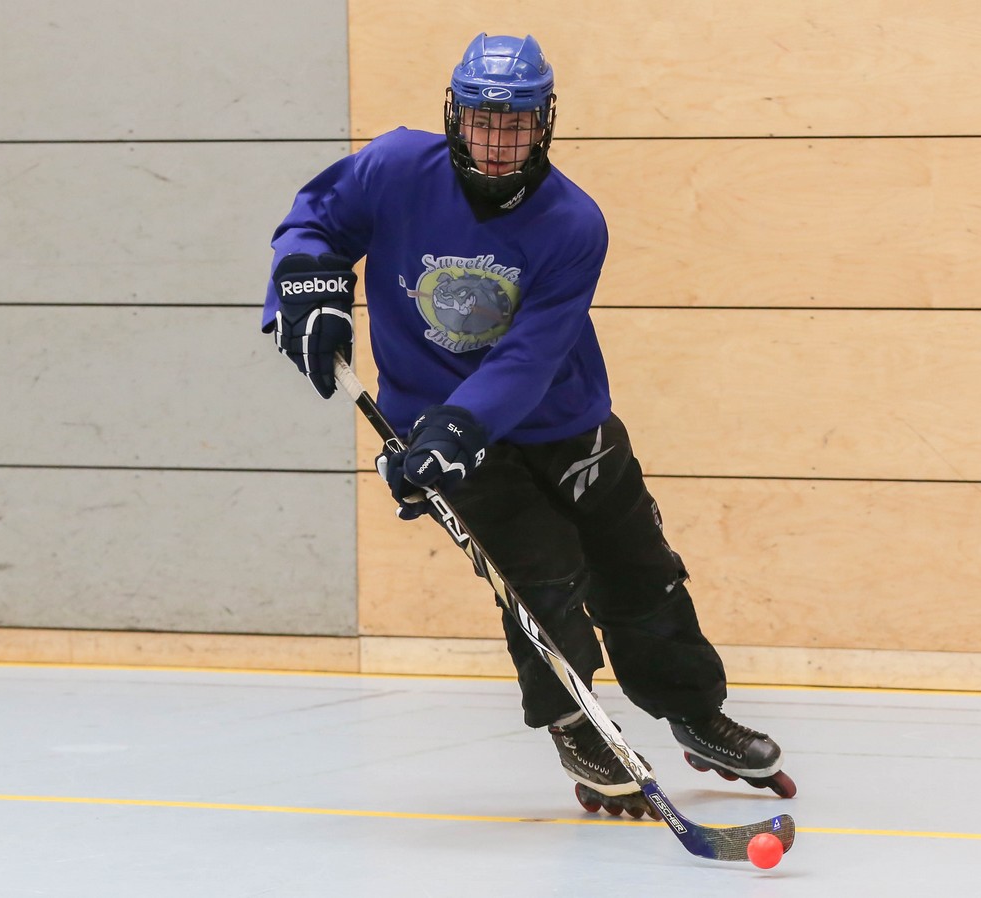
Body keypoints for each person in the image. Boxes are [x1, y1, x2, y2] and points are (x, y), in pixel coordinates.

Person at [262, 32, 795, 815]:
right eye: (483, 119)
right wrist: (306, 285)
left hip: (560, 418)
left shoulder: (573, 223)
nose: (497, 139)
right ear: (455, 114)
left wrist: (461, 426)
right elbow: (316, 221)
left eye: (515, 123)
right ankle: (577, 726)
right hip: (436, 427)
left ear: (544, 122)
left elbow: (530, 355)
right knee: (539, 581)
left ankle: (692, 709)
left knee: (639, 570)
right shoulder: (395, 167)